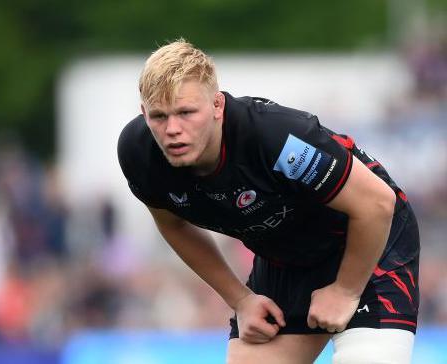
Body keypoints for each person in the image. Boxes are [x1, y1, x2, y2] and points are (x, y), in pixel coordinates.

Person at [117, 39, 420, 364]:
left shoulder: (276, 138)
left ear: (218, 106)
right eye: (159, 116)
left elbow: (376, 204)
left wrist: (345, 290)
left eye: (187, 112)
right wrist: (241, 300)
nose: (172, 129)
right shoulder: (139, 154)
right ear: (143, 113)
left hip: (369, 244)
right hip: (285, 261)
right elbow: (173, 225)